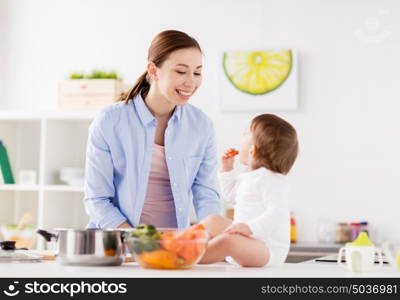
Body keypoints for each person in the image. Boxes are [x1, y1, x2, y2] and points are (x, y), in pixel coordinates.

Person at [84, 30, 221, 229]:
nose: (191, 82)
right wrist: (136, 241)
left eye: (197, 72)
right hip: (117, 244)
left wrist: (212, 234)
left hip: (173, 247)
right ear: (154, 70)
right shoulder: (110, 120)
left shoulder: (201, 125)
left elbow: (206, 194)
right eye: (181, 71)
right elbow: (97, 199)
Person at [199, 114, 299, 267]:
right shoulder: (248, 176)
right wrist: (227, 170)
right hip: (247, 240)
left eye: (245, 133)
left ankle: (183, 257)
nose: (241, 136)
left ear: (253, 151)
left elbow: (277, 213)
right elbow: (231, 197)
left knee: (228, 241)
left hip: (267, 250)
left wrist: (249, 228)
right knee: (211, 221)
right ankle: (175, 243)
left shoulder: (274, 180)